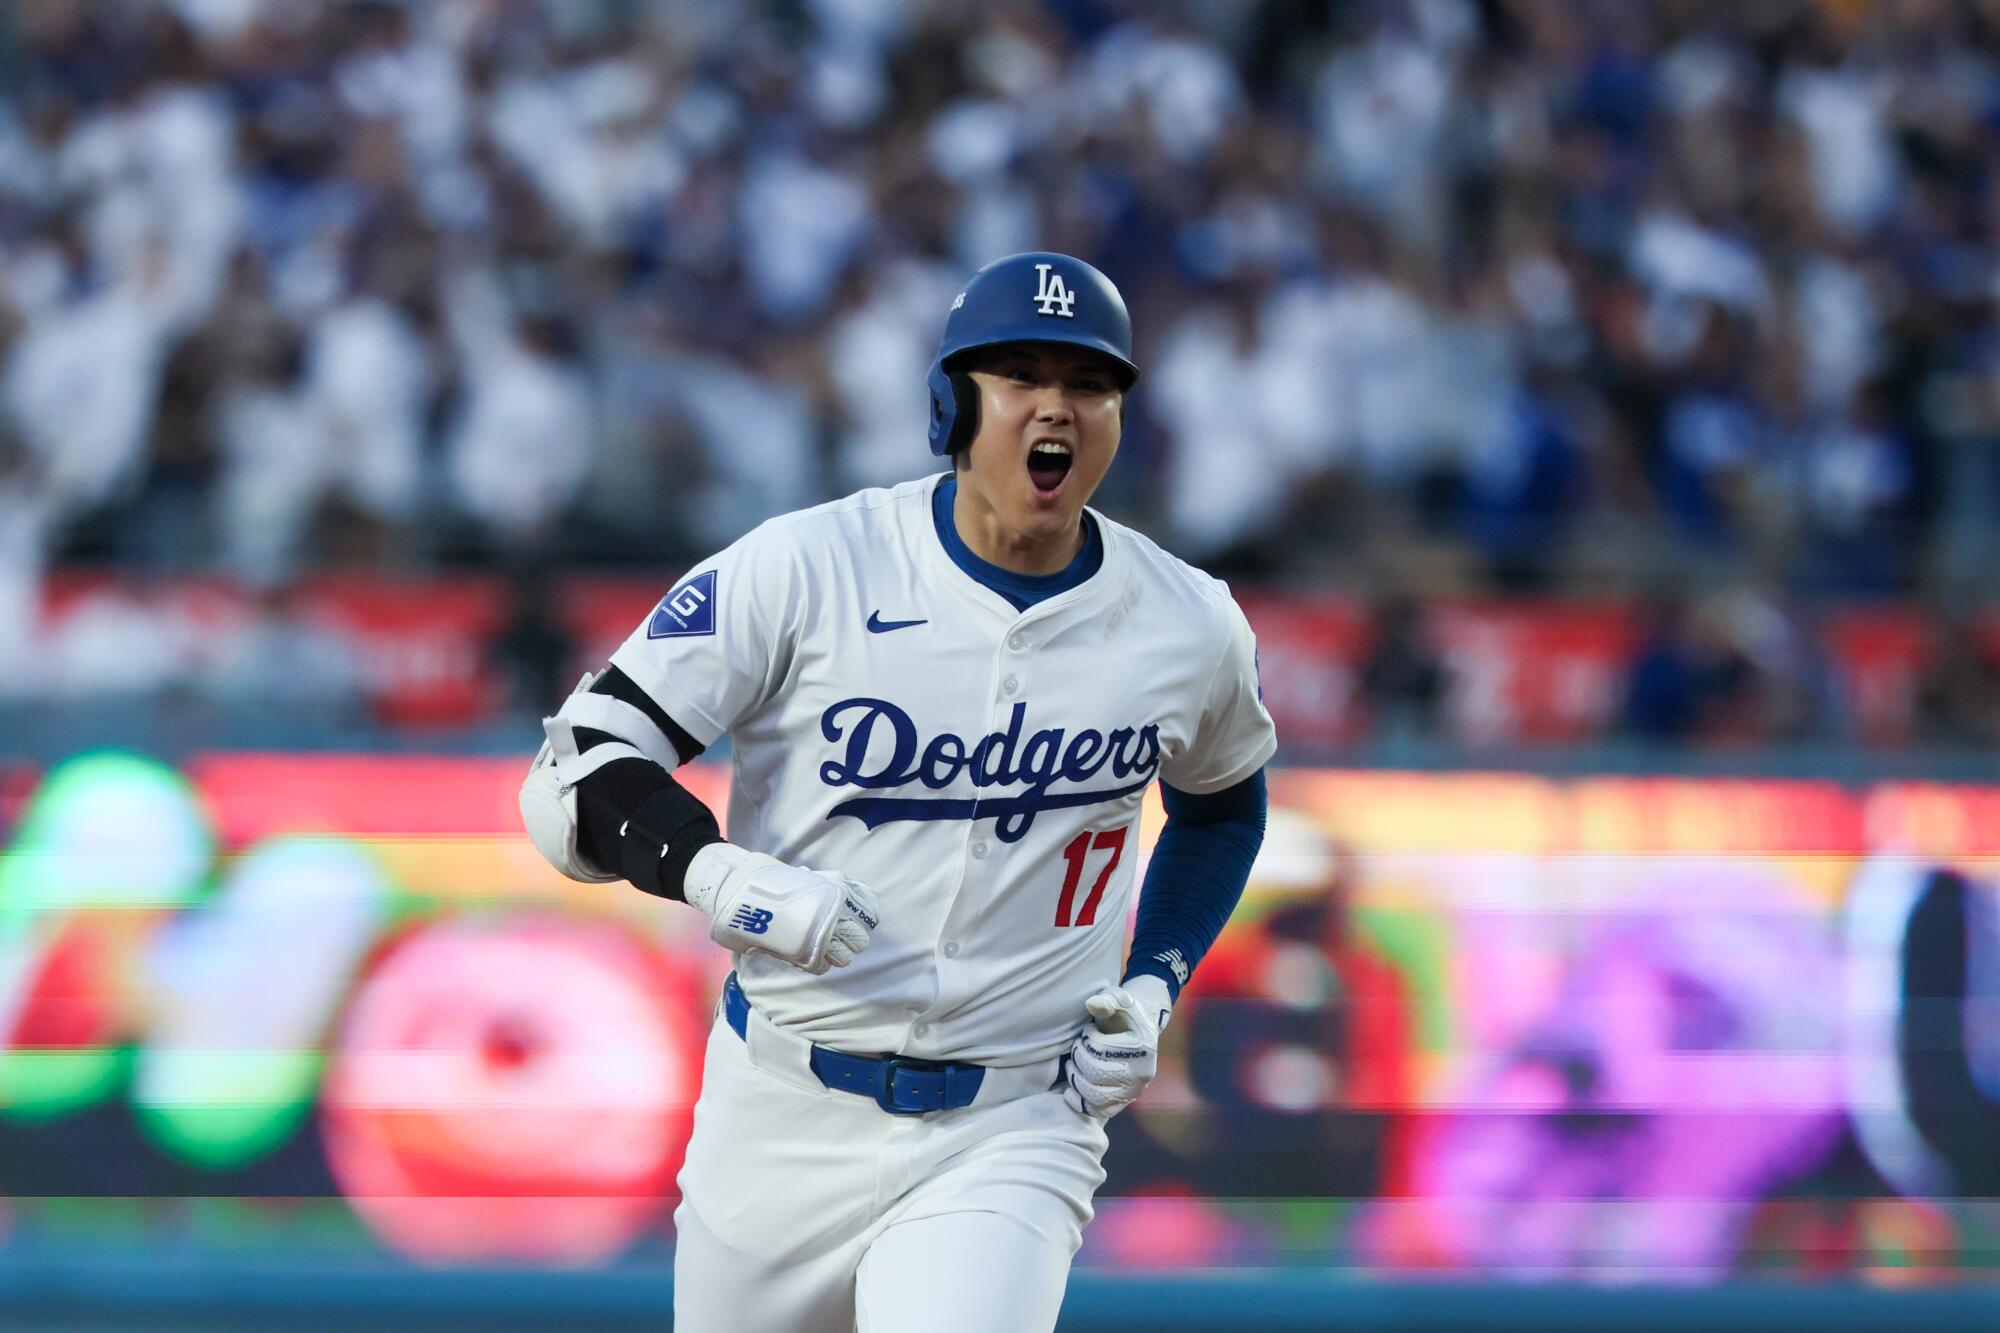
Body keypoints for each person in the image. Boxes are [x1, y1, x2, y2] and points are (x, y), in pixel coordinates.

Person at [519, 252, 1275, 1332]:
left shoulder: (1187, 621)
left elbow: (1222, 806)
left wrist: (1154, 980)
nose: (1053, 406)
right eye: (1016, 375)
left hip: (1012, 1119)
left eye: (1087, 383)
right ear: (950, 405)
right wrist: (715, 871)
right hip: (778, 1102)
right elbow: (574, 765)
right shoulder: (807, 566)